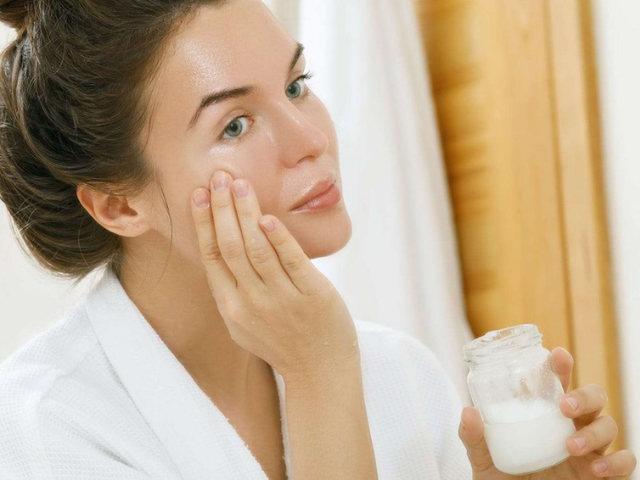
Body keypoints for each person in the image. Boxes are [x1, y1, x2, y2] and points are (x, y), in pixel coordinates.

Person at [0, 0, 635, 479]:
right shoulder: (50, 430)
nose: (311, 138)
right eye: (236, 124)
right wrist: (319, 379)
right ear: (118, 203)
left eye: (297, 85)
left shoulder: (401, 377)